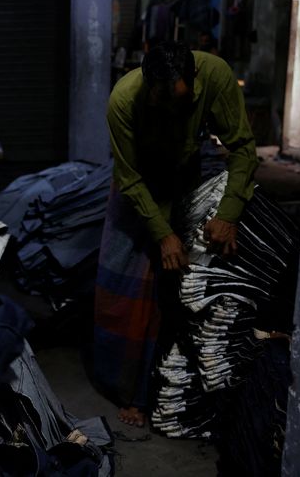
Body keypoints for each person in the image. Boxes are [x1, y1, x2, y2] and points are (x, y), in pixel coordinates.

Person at [92, 41, 257, 428]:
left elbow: (243, 149)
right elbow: (130, 179)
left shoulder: (215, 74)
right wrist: (163, 234)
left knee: (185, 282)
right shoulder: (123, 100)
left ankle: (173, 382)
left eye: (179, 103)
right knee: (126, 289)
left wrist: (228, 214)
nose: (170, 111)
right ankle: (127, 391)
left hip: (185, 174)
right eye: (160, 104)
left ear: (193, 77)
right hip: (139, 187)